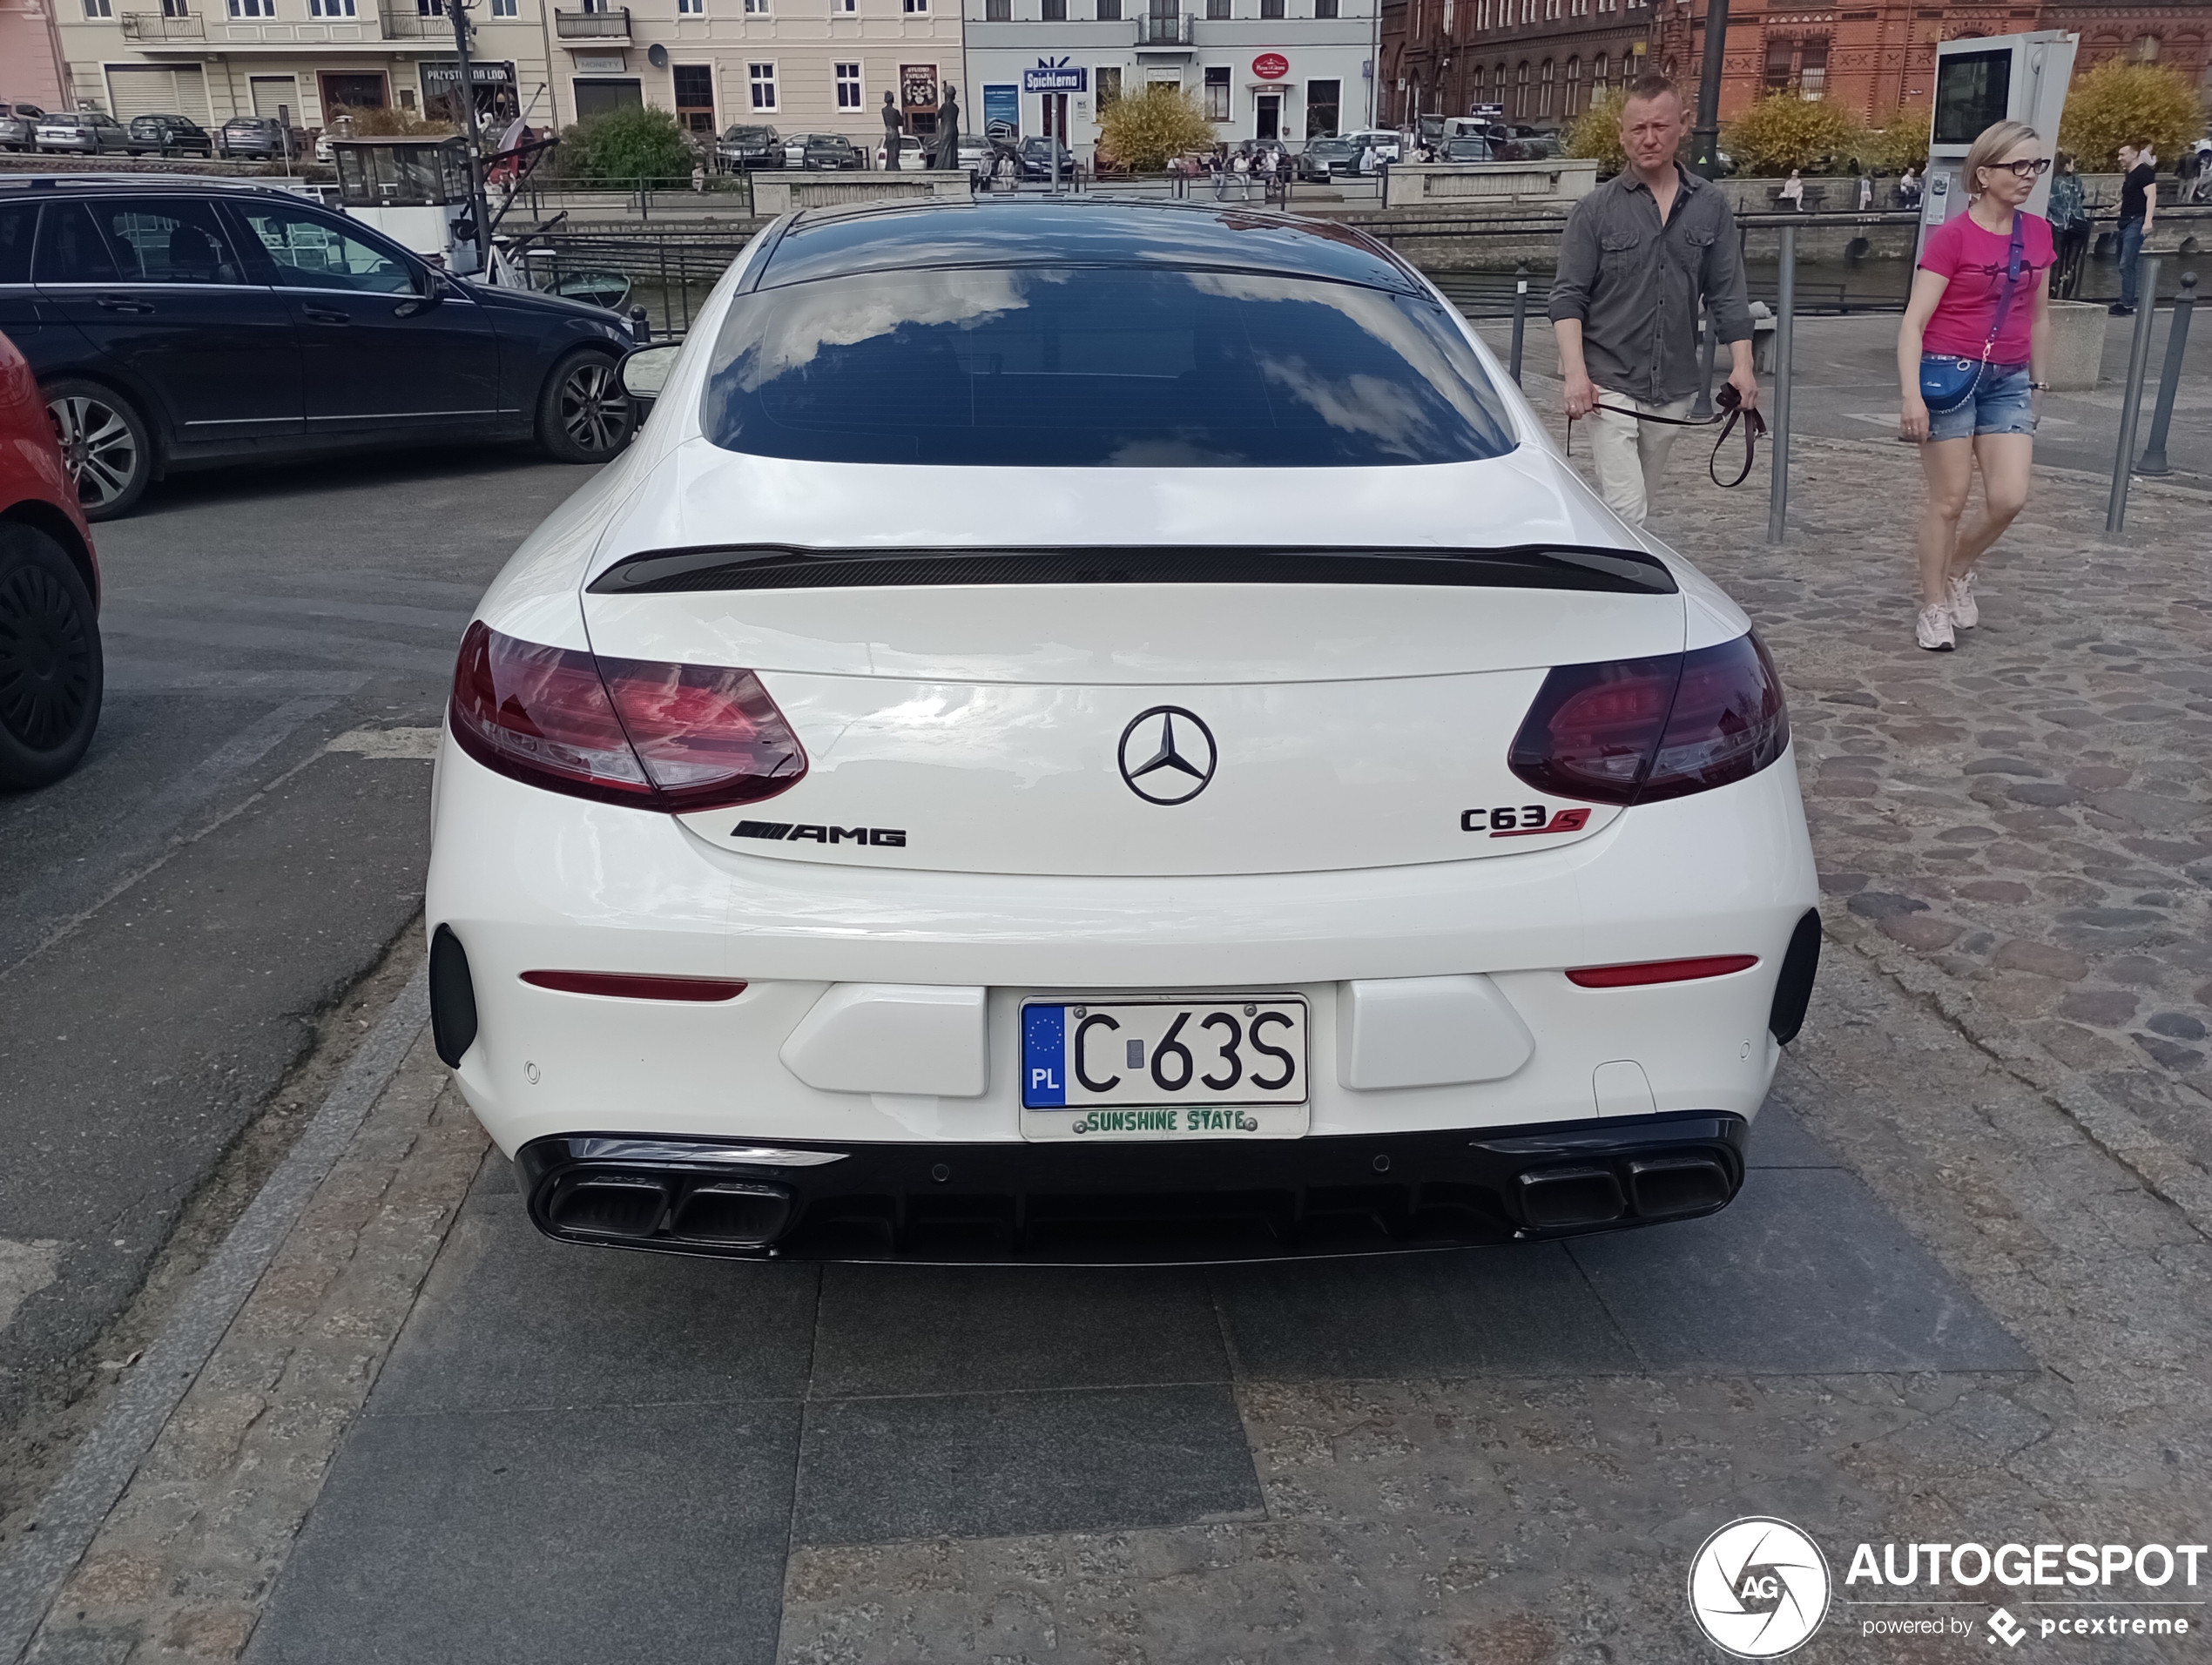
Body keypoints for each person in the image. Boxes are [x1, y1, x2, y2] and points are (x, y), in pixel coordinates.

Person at [1549, 73, 1758, 528]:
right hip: (1609, 379)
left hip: (1674, 383)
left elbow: (1728, 293)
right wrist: (1576, 376)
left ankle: (1601, 562)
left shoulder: (1711, 207)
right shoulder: (1595, 211)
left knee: (1638, 500)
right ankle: (1623, 593)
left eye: (1659, 127)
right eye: (1638, 129)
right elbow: (1567, 297)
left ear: (1682, 126)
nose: (1648, 139)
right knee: (1628, 505)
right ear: (1622, 135)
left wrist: (1742, 366)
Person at [1895, 119, 2054, 652]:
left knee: (2009, 498)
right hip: (1948, 373)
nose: (2029, 175)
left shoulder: (2038, 232)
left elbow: (2039, 315)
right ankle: (1934, 604)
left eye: (2036, 164)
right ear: (1984, 174)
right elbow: (1914, 322)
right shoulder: (1953, 238)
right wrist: (1911, 396)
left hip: (2008, 378)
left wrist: (2038, 382)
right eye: (2018, 165)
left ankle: (1959, 566)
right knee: (1950, 500)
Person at [2112, 142, 2157, 315]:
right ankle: (2126, 300)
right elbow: (2129, 198)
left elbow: (2151, 196)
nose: (2119, 158)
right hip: (2124, 221)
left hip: (2136, 222)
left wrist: (2148, 221)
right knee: (2122, 262)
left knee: (2126, 263)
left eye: (2123, 155)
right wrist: (2113, 209)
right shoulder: (2129, 174)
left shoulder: (2144, 172)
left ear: (2134, 154)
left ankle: (2126, 304)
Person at [2047, 151, 2089, 300]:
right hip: (2078, 225)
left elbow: (2049, 204)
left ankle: (2052, 297)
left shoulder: (2051, 181)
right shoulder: (2076, 180)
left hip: (2059, 225)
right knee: (2071, 265)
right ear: (2066, 166)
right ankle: (2066, 299)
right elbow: (2081, 197)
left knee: (2056, 263)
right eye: (2072, 163)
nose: (2074, 166)